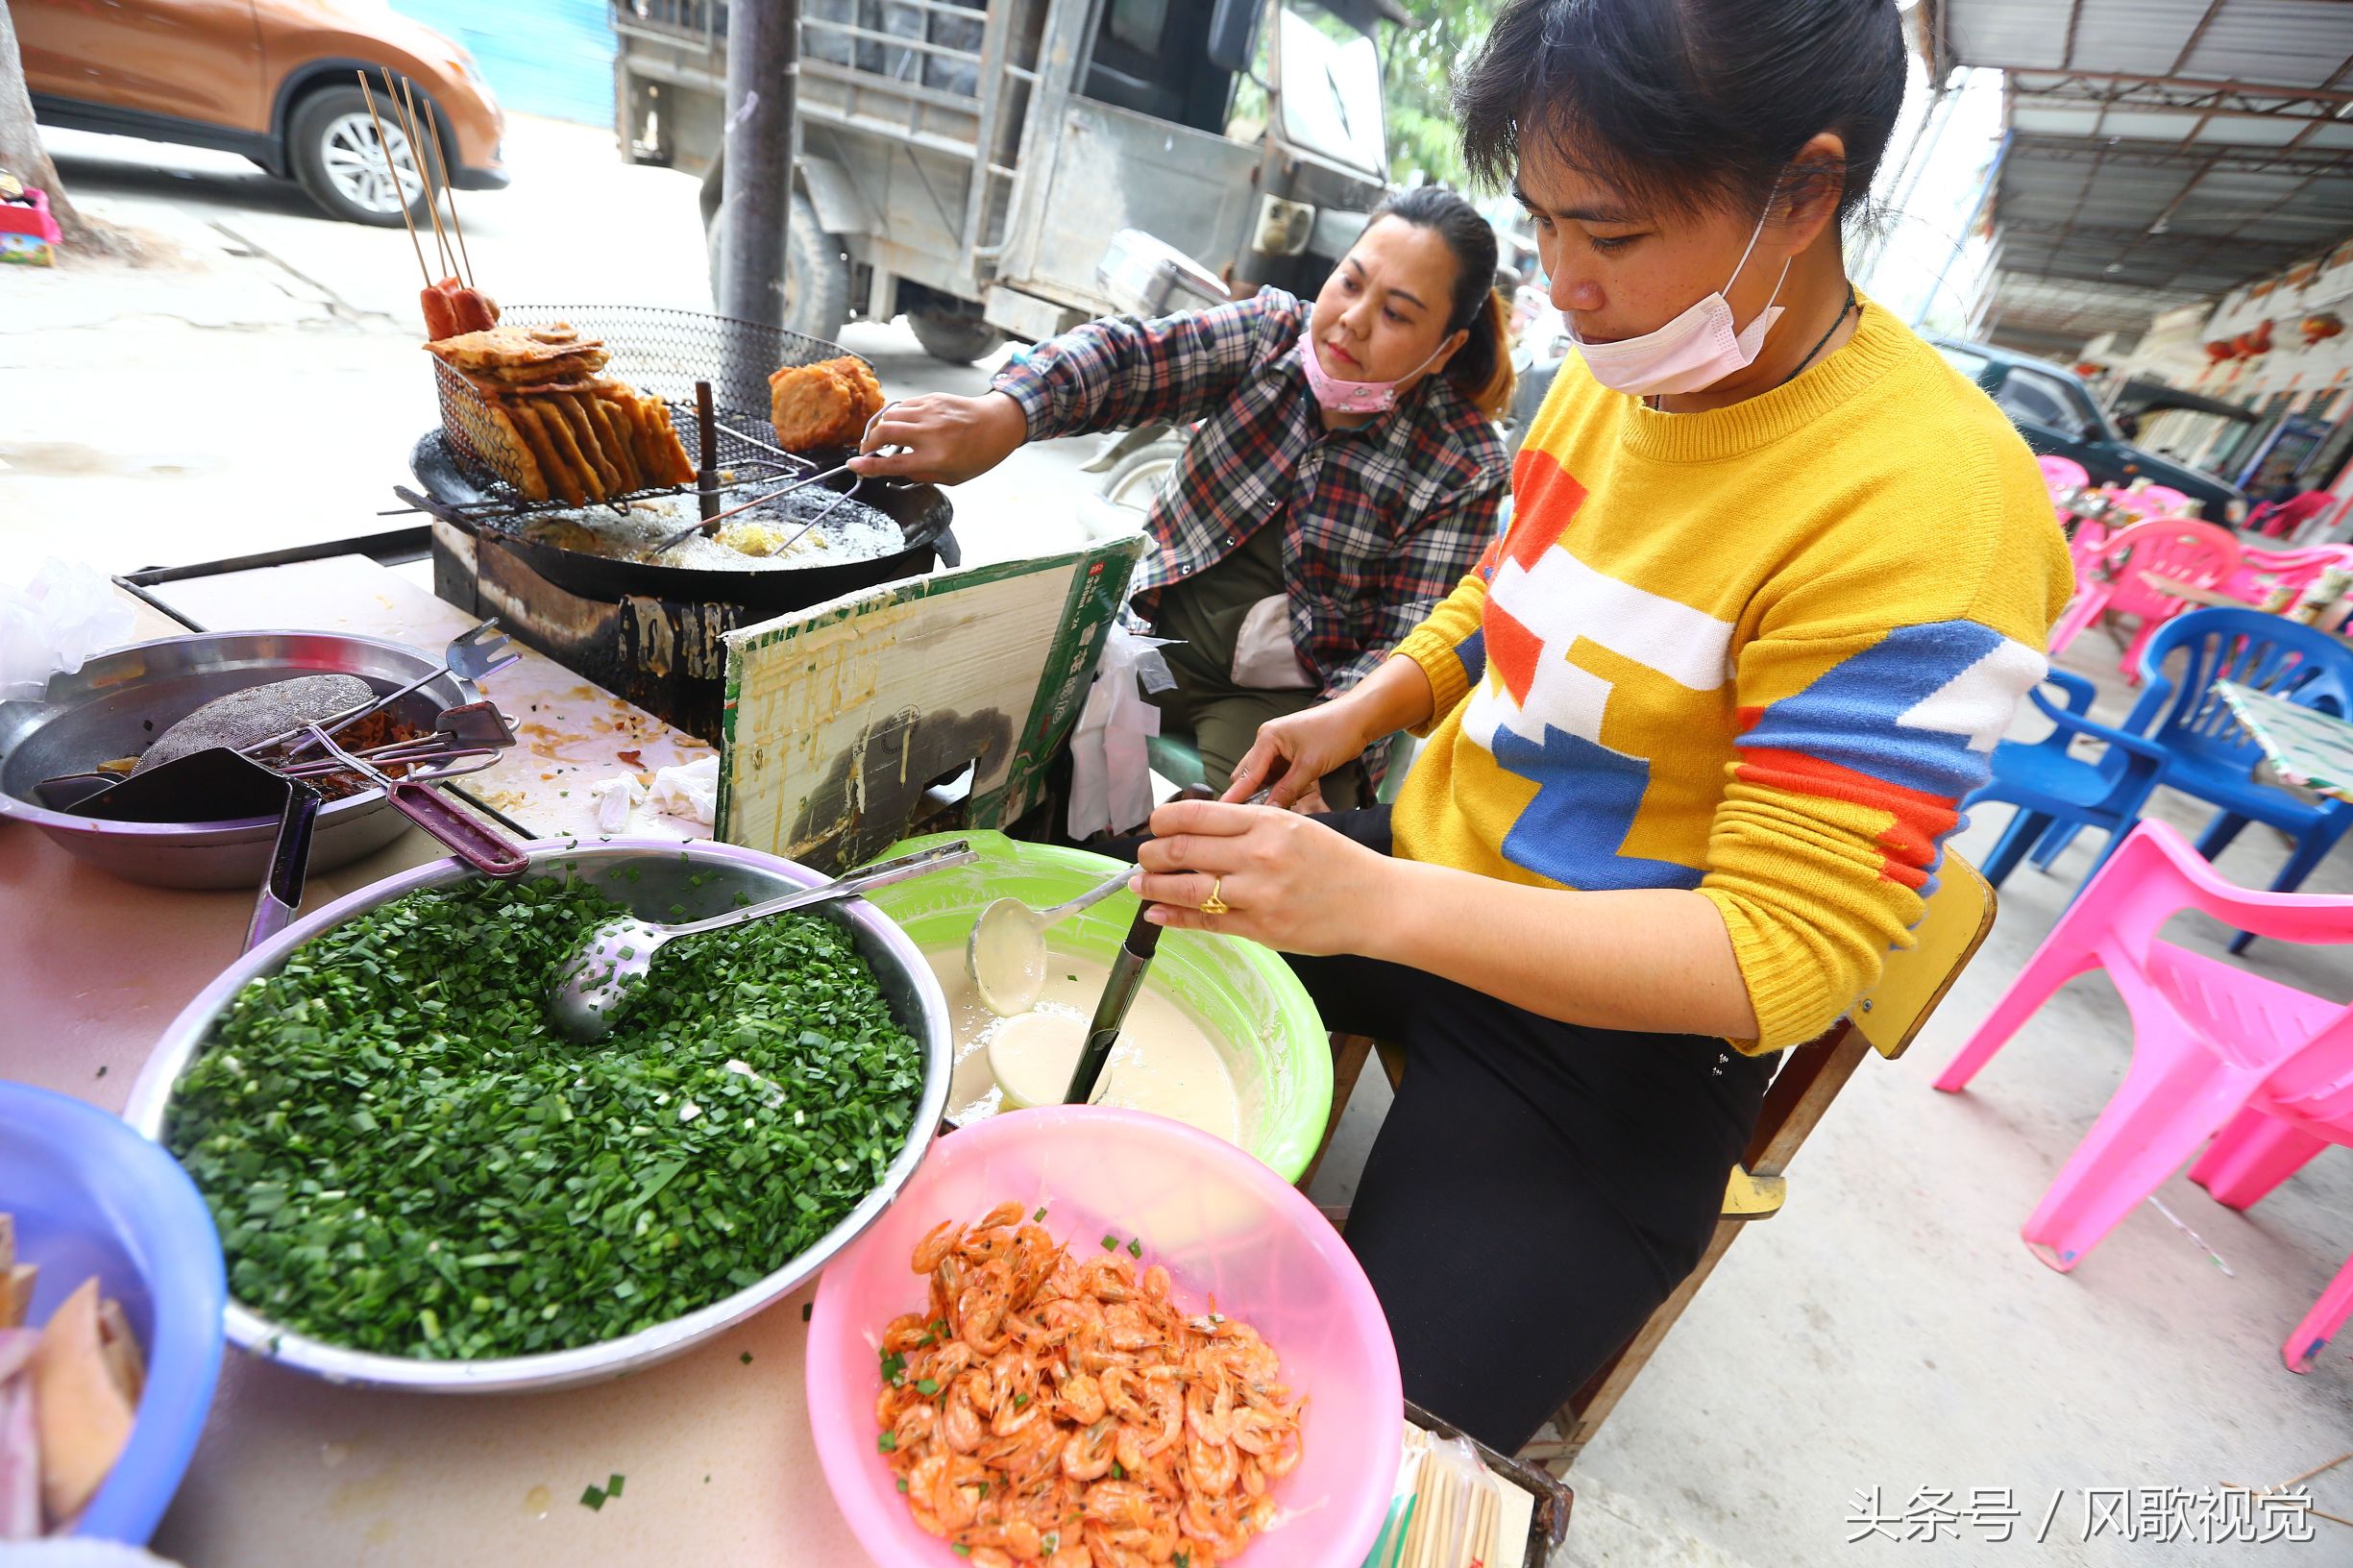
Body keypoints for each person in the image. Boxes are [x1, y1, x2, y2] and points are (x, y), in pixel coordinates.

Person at [1116, 0, 2073, 1451]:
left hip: (1618, 1027)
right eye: (1542, 222)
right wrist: (1357, 710)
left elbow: (1783, 953)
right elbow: (1510, 600)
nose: (1562, 281)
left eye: (1610, 236)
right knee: (1093, 1015)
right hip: (1431, 864)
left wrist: (1374, 899)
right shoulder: (1621, 377)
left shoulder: (1934, 512)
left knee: (1349, 1444)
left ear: (1802, 194)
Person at [852, 188, 1516, 809]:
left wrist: (1332, 731)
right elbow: (1126, 361)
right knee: (971, 731)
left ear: (1446, 348)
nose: (1351, 321)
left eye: (1397, 313)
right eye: (1349, 282)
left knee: (1267, 849)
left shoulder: (1463, 465)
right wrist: (1004, 413)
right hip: (1147, 637)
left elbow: (1410, 638)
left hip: (1289, 701)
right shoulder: (1264, 336)